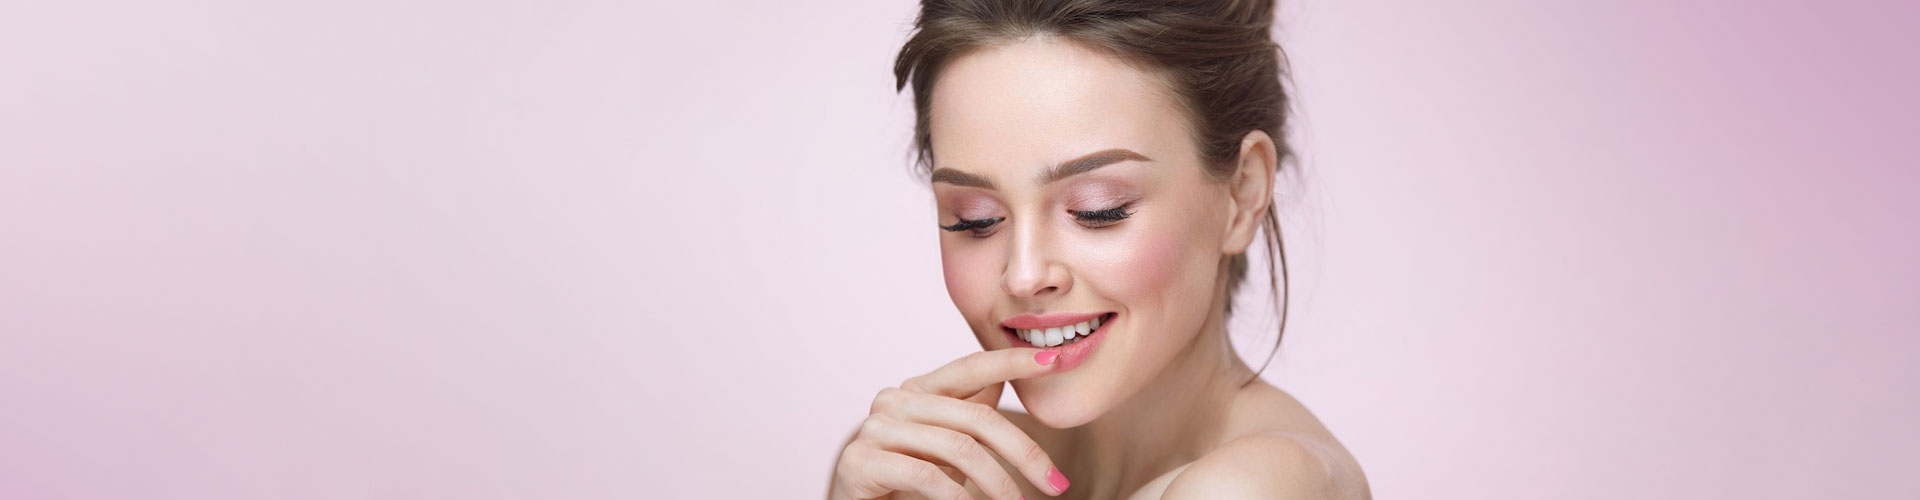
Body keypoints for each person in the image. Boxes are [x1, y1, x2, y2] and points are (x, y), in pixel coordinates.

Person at [829, 1, 1370, 498]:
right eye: (977, 220)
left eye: (1098, 208)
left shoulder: (1252, 487)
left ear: (1242, 191)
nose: (1023, 274)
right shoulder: (934, 473)